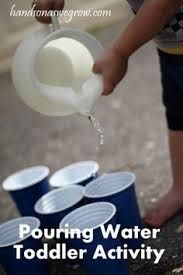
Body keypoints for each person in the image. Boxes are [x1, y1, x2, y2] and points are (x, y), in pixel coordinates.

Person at [32, 0, 183, 227]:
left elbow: (164, 4)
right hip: (171, 48)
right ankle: (181, 187)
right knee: (178, 116)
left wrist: (119, 52)